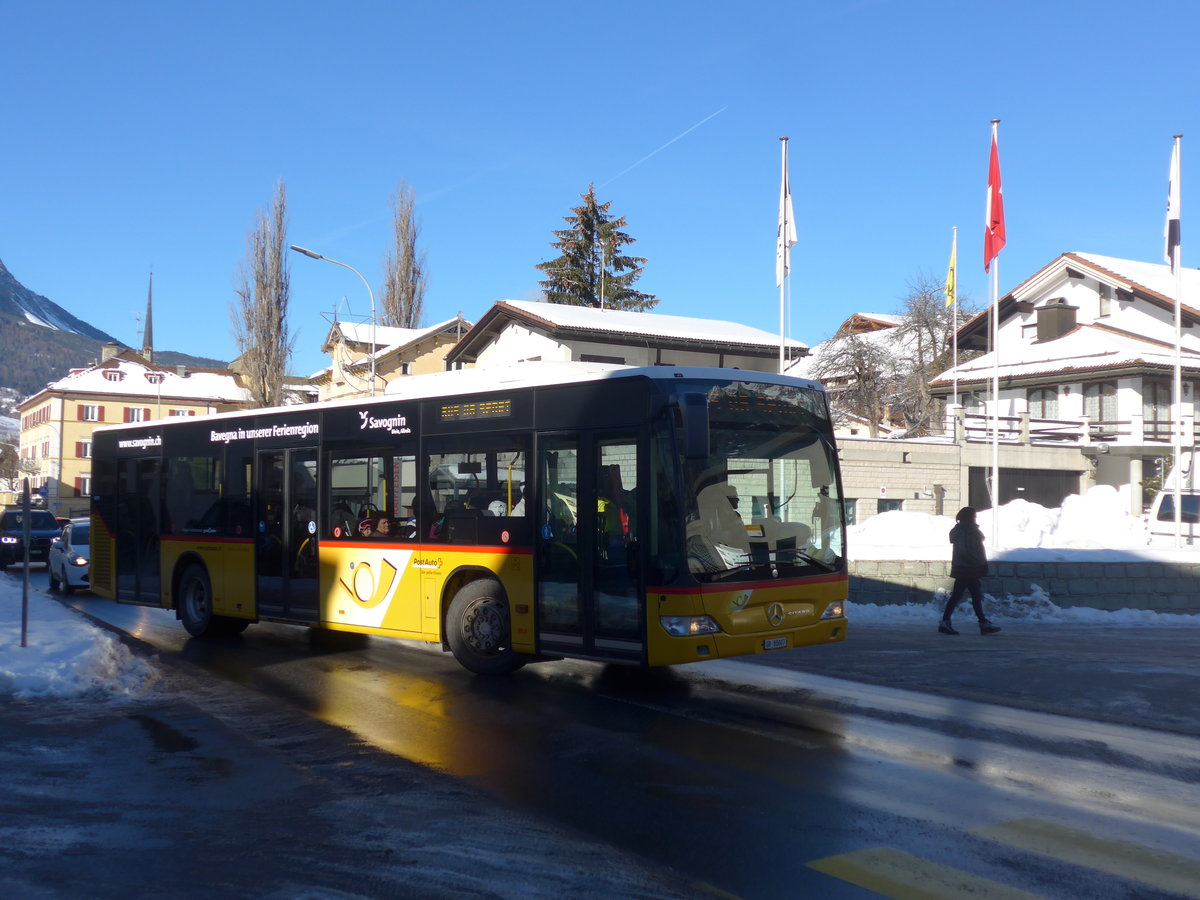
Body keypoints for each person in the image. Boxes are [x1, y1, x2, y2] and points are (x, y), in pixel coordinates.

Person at [940, 506, 1001, 635]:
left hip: (964, 567)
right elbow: (970, 550)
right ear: (969, 518)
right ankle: (982, 623)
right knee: (973, 595)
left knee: (962, 595)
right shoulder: (968, 531)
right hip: (969, 568)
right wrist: (979, 563)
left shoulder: (962, 531)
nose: (975, 518)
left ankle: (946, 622)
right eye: (974, 516)